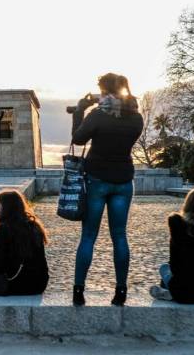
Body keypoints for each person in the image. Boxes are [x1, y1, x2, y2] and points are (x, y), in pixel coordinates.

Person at [70, 73, 144, 306]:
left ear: (107, 91)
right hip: (123, 180)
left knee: (89, 236)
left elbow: (78, 139)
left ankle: (79, 291)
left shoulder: (98, 115)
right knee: (120, 236)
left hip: (97, 179)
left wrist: (80, 110)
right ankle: (120, 292)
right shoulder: (136, 119)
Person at [0, 189, 49, 295]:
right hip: (40, 284)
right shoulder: (34, 226)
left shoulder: (4, 229)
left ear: (7, 208)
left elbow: (0, 262)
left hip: (17, 283)